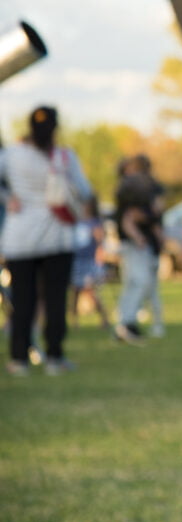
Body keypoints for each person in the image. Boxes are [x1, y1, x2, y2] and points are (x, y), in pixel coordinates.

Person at [0, 105, 92, 376]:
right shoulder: (64, 156)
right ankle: (54, 356)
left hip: (21, 237)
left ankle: (19, 359)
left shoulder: (12, 155)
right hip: (57, 235)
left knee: (23, 300)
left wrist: (9, 199)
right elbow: (85, 191)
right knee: (54, 299)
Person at [113, 154, 165, 342]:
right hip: (137, 244)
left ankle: (129, 322)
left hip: (141, 243)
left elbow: (153, 215)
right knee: (139, 282)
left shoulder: (142, 187)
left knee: (140, 284)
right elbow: (130, 217)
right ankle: (127, 323)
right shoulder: (133, 188)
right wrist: (138, 235)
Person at [69, 196, 112, 331]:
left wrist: (100, 255)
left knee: (90, 290)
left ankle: (104, 317)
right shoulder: (76, 220)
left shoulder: (94, 222)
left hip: (88, 261)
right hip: (76, 260)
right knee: (75, 291)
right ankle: (73, 320)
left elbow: (100, 241)